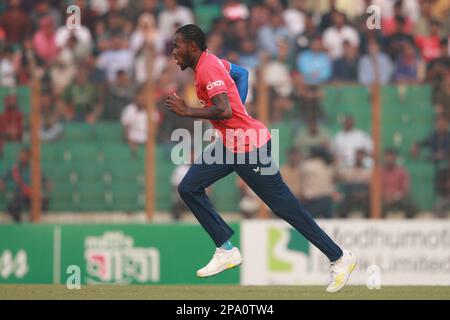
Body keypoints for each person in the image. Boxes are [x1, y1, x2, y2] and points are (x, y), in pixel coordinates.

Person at [164, 24, 356, 293]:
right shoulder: (212, 62)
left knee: (285, 206)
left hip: (250, 147)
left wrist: (187, 112)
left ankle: (339, 257)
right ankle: (225, 248)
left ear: (192, 47)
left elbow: (222, 109)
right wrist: (237, 112)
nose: (174, 52)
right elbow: (242, 74)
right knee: (188, 186)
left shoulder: (208, 68)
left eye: (177, 46)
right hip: (231, 145)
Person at [0, 148, 51, 222]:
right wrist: (2, 183)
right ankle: (19, 222)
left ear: (28, 157)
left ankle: (33, 220)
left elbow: (44, 179)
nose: (21, 158)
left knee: (42, 201)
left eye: (23, 156)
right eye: (20, 156)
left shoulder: (34, 168)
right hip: (20, 196)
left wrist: (47, 183)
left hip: (32, 196)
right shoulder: (15, 168)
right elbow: (3, 178)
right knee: (14, 205)